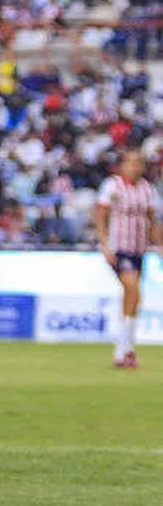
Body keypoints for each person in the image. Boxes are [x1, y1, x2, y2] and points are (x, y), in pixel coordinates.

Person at [95, 149, 159, 369]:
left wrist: (158, 245)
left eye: (139, 163)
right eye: (132, 163)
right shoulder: (112, 186)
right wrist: (104, 243)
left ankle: (125, 349)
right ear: (122, 165)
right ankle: (124, 348)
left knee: (132, 297)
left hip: (138, 248)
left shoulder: (147, 189)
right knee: (133, 289)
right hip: (119, 247)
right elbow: (101, 215)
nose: (136, 167)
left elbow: (153, 219)